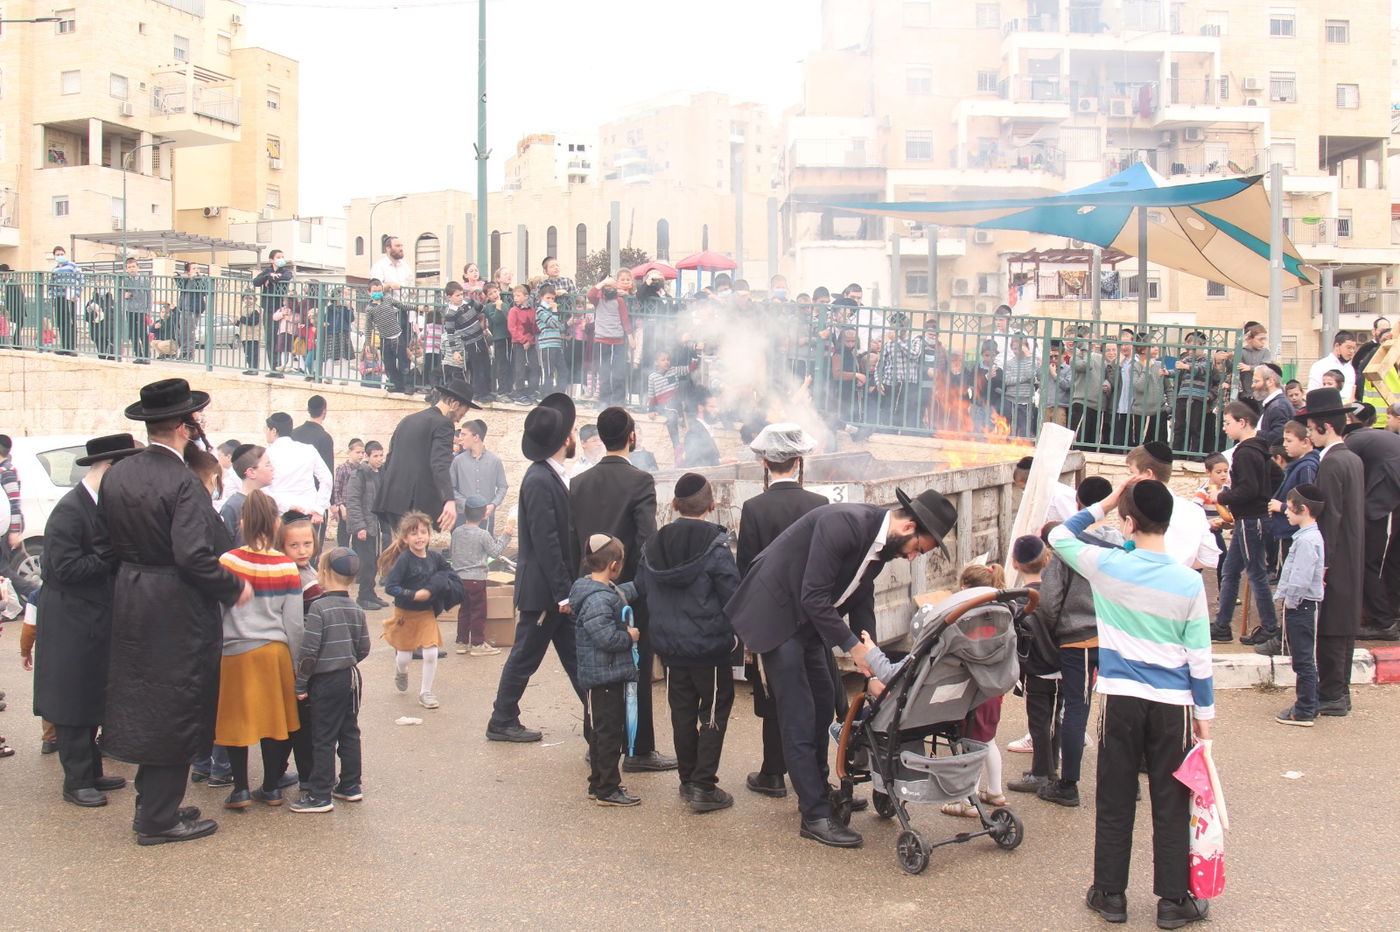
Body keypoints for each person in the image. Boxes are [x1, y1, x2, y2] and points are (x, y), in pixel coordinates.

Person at [728, 488, 956, 849]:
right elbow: (813, 595)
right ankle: (815, 814)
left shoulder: (880, 546)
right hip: (777, 613)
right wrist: (853, 648)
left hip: (808, 621)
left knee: (823, 707)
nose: (914, 558)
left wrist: (875, 668)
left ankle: (818, 789)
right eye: (919, 548)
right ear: (909, 526)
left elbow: (861, 602)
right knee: (799, 714)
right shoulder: (845, 524)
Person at [1048, 478, 1213, 930]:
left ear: (1129, 521)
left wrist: (1103, 501)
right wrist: (1204, 719)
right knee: (1171, 799)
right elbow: (1199, 657)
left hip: (1121, 700)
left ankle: (1110, 895)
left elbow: (1058, 535)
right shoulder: (1187, 581)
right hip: (1172, 705)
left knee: (1116, 798)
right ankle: (1174, 901)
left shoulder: (1108, 566)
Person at [101, 379, 249, 845]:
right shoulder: (182, 480)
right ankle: (157, 819)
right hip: (174, 606)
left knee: (149, 702)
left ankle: (154, 801)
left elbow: (107, 543)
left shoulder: (119, 472)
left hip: (132, 597)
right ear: (185, 427)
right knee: (176, 705)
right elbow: (193, 557)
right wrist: (232, 587)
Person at [33, 434, 141, 808]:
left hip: (94, 616)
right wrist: (109, 558)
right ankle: (76, 780)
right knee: (72, 699)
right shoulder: (70, 509)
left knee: (93, 694)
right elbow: (60, 568)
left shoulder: (100, 505)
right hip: (70, 618)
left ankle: (92, 771)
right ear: (109, 469)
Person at [569, 406, 676, 772]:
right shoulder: (640, 480)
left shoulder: (579, 482)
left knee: (594, 667)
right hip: (628, 590)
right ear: (631, 437)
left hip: (587, 585)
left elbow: (574, 541)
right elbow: (647, 541)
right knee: (635, 666)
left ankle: (597, 740)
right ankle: (639, 748)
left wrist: (575, 590)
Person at [634, 474, 742, 812]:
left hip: (669, 647)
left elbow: (640, 586)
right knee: (711, 713)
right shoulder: (716, 546)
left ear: (674, 505)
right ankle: (703, 786)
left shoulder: (653, 544)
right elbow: (733, 596)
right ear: (712, 506)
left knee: (680, 713)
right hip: (709, 649)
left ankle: (687, 780)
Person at [735, 423, 827, 799]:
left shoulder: (754, 508)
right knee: (815, 695)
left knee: (774, 691)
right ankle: (817, 774)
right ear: (798, 461)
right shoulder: (819, 505)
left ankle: (772, 771)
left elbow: (747, 570)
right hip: (811, 615)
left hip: (772, 617)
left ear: (765, 464)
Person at [487, 393, 586, 743]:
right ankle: (501, 719)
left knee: (577, 659)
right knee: (525, 656)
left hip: (552, 591)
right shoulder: (540, 479)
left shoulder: (550, 474)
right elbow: (547, 543)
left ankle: (598, 724)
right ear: (565, 441)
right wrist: (563, 592)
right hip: (545, 593)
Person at [215, 490, 306, 811]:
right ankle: (271, 786)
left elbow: (218, 610)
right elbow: (294, 623)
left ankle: (239, 789)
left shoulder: (227, 561)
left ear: (243, 523)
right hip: (274, 653)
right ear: (276, 523)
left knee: (235, 722)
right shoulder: (285, 566)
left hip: (235, 652)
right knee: (275, 723)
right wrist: (298, 665)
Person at [1036, 476, 1121, 809]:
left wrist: (1055, 631)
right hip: (1115, 637)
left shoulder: (1069, 546)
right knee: (1117, 709)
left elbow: (1049, 601)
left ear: (1077, 505)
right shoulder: (1122, 543)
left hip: (1079, 639)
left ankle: (1068, 783)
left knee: (1075, 709)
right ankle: (1125, 779)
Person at [290, 548, 371, 812]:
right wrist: (346, 659)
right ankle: (350, 785)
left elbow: (309, 652)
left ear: (324, 572)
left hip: (325, 680)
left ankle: (319, 794)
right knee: (349, 731)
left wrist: (301, 684)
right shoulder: (356, 608)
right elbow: (364, 647)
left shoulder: (318, 608)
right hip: (350, 677)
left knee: (323, 736)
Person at [1302, 388, 1366, 716]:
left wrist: (1321, 565)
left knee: (1330, 626)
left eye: (1311, 428)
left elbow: (1330, 517)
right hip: (1352, 552)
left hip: (1335, 555)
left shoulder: (1332, 463)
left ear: (1325, 427)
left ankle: (1332, 693)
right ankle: (1338, 690)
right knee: (1342, 624)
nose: (1308, 435)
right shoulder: (1351, 458)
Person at [571, 534, 642, 807]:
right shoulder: (599, 599)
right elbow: (606, 638)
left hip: (599, 675)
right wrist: (630, 636)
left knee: (600, 732)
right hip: (606, 676)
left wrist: (643, 583)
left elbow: (622, 592)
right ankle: (609, 789)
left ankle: (597, 783)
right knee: (609, 733)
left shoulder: (592, 589)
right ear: (614, 565)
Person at [1209, 402, 1281, 648]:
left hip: (1251, 520)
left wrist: (1222, 496)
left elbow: (1248, 490)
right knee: (1230, 571)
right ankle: (1222, 625)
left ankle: (1270, 627)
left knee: (1256, 574)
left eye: (1228, 423)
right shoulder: (1259, 449)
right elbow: (1275, 476)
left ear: (1242, 422)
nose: (1225, 428)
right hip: (1248, 519)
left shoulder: (1246, 452)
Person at [376, 378, 481, 535]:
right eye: (462, 413)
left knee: (401, 553)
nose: (460, 419)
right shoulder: (444, 424)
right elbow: (440, 463)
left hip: (392, 501)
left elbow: (390, 459)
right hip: (414, 505)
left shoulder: (408, 420)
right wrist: (449, 500)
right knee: (415, 555)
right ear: (454, 404)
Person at [379, 512, 461, 711]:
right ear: (405, 538)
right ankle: (401, 671)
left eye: (423, 532)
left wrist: (435, 587)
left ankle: (425, 692)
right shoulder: (404, 560)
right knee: (405, 657)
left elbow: (447, 571)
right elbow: (390, 587)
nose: (419, 537)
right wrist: (412, 594)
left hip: (426, 614)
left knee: (431, 653)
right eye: (414, 533)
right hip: (405, 614)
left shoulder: (434, 557)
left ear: (429, 535)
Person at [1005, 535, 1061, 800]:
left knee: (1039, 722)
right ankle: (1051, 769)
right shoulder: (1055, 594)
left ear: (1015, 563)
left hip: (1037, 670)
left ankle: (1041, 772)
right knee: (1056, 720)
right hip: (1063, 667)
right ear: (1047, 560)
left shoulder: (1019, 603)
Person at [1342, 405, 1400, 641]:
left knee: (1370, 562)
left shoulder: (1352, 442)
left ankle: (1384, 621)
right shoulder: (1372, 437)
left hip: (1386, 504)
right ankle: (1392, 614)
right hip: (1390, 501)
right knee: (1391, 563)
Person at [1275, 485, 1327, 726]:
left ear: (1303, 509)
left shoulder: (1307, 541)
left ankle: (1305, 709)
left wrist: (1290, 602)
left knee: (1304, 659)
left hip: (1302, 605)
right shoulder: (1310, 537)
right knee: (1304, 658)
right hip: (1305, 605)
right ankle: (1309, 705)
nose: (1286, 511)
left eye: (1289, 507)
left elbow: (1301, 577)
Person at [1123, 443, 1219, 571]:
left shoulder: (1137, 508)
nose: (1129, 478)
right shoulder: (1194, 511)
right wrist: (1180, 568)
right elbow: (1209, 557)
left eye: (1132, 472)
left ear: (1148, 474)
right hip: (1180, 583)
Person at [450, 495, 512, 656]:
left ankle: (462, 642)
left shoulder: (456, 532)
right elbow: (495, 552)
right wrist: (506, 536)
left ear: (465, 512)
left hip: (459, 578)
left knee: (464, 610)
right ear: (485, 514)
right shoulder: (482, 534)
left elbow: (453, 553)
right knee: (478, 611)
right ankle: (477, 643)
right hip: (476, 579)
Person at [264, 412, 332, 534]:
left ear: (273, 431)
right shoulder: (308, 449)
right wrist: (318, 508)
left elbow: (263, 487)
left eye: (266, 429)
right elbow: (327, 479)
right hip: (308, 513)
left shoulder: (267, 454)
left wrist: (282, 505)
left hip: (279, 514)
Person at [345, 440, 386, 609]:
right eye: (375, 456)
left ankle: (371, 593)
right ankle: (363, 596)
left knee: (375, 560)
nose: (379, 459)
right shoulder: (359, 474)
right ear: (367, 457)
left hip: (377, 525)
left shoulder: (382, 473)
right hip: (364, 525)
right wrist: (359, 526)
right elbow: (353, 501)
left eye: (381, 455)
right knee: (366, 561)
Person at [450, 419, 508, 533]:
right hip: (463, 517)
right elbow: (450, 488)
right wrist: (466, 503)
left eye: (464, 434)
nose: (460, 438)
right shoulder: (458, 461)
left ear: (476, 437)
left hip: (486, 517)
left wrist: (492, 505)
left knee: (485, 550)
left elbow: (503, 487)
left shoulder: (495, 461)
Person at [219, 443, 273, 547]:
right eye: (267, 464)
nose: (272, 468)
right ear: (251, 472)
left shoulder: (269, 502)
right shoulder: (232, 507)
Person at [330, 439, 365, 548]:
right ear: (349, 452)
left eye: (362, 453)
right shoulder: (343, 468)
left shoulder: (362, 469)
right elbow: (337, 488)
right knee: (343, 537)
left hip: (357, 506)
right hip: (344, 505)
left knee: (357, 539)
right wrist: (340, 506)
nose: (360, 455)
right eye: (357, 452)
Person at [507, 283, 539, 402]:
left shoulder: (532, 311)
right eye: (514, 296)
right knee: (519, 368)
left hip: (531, 343)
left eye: (518, 295)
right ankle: (519, 392)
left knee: (534, 366)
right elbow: (512, 328)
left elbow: (534, 328)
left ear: (526, 296)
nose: (515, 298)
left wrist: (530, 341)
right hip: (519, 343)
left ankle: (532, 391)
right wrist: (523, 340)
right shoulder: (513, 311)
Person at [536, 283, 568, 396]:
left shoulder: (551, 310)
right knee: (548, 372)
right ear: (541, 297)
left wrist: (567, 323)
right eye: (548, 298)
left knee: (563, 371)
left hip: (557, 344)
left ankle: (558, 395)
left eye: (552, 298)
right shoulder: (540, 310)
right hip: (547, 345)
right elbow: (554, 323)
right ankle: (546, 396)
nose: (550, 300)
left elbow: (561, 327)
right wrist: (554, 310)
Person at [49, 246, 82, 355]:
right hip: (59, 298)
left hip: (70, 298)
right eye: (57, 255)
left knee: (70, 323)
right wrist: (52, 296)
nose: (60, 256)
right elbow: (51, 285)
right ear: (54, 256)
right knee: (61, 323)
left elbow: (81, 280)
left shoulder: (73, 266)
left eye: (61, 254)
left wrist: (77, 294)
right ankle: (64, 346)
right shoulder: (54, 269)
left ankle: (71, 348)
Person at [1306, 330, 1358, 398]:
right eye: (1348, 348)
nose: (1352, 351)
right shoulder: (1320, 366)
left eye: (1353, 348)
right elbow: (1312, 393)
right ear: (1337, 346)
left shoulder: (1350, 369)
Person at [119, 257, 152, 363]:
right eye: (129, 267)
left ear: (138, 268)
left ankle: (146, 357)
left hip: (142, 310)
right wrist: (124, 295)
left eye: (133, 266)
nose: (132, 269)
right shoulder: (124, 280)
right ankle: (139, 356)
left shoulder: (144, 279)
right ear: (126, 269)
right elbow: (119, 293)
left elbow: (149, 294)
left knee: (143, 334)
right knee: (133, 334)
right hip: (130, 310)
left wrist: (149, 309)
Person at [681, 388, 724, 468]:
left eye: (716, 407)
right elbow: (693, 463)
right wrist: (721, 461)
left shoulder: (703, 429)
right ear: (700, 408)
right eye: (712, 407)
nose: (716, 410)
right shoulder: (694, 433)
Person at [1254, 363, 1293, 447]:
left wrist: (1254, 433)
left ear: (1270, 382)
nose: (1253, 385)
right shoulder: (1275, 404)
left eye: (1256, 381)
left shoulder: (1278, 406)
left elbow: (1278, 438)